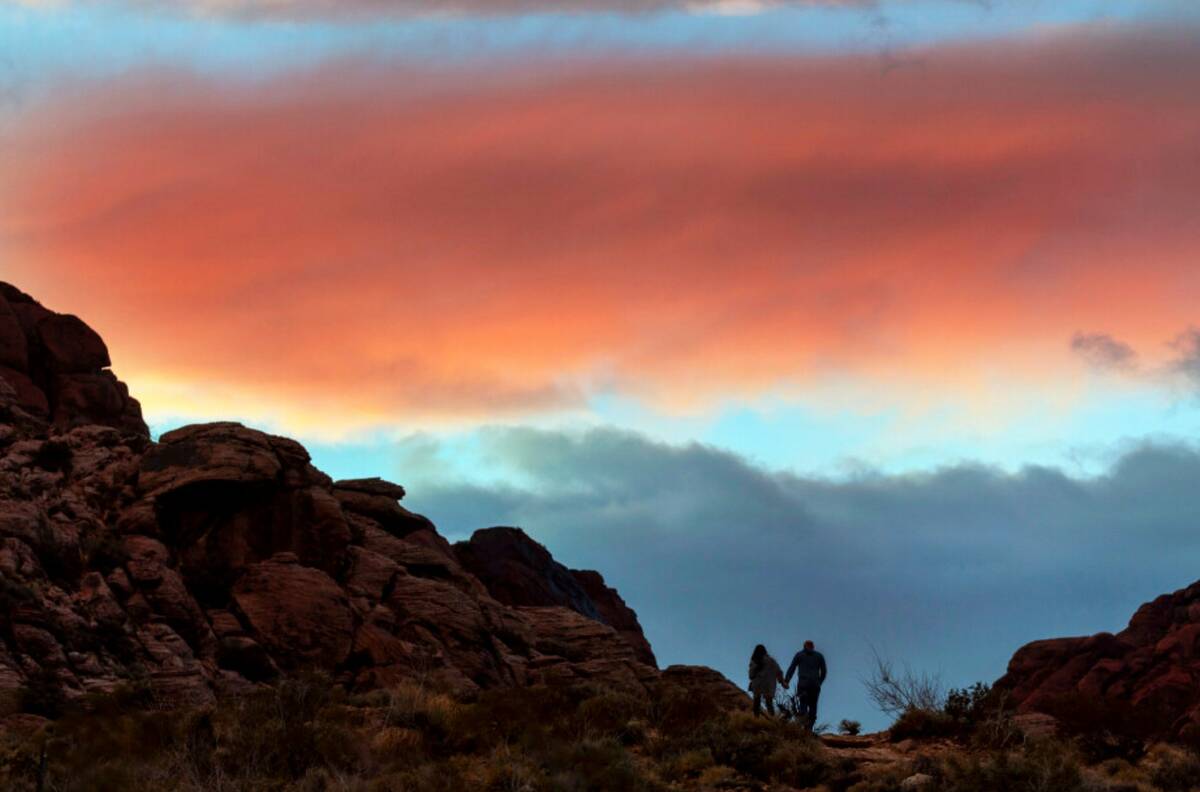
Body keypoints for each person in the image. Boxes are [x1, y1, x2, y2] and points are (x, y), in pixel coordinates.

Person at [784, 640, 827, 730]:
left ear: (804, 646)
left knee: (803, 705)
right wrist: (819, 682)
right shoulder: (819, 656)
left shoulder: (799, 655)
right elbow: (824, 672)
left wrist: (787, 680)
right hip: (815, 685)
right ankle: (809, 729)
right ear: (813, 646)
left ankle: (803, 726)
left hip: (803, 684)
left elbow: (792, 668)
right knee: (813, 706)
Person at [748, 644, 787, 717]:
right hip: (769, 685)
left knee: (756, 702)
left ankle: (756, 719)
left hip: (758, 684)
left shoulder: (754, 660)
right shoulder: (772, 660)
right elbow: (779, 672)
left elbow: (751, 675)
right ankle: (772, 719)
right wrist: (782, 682)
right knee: (769, 702)